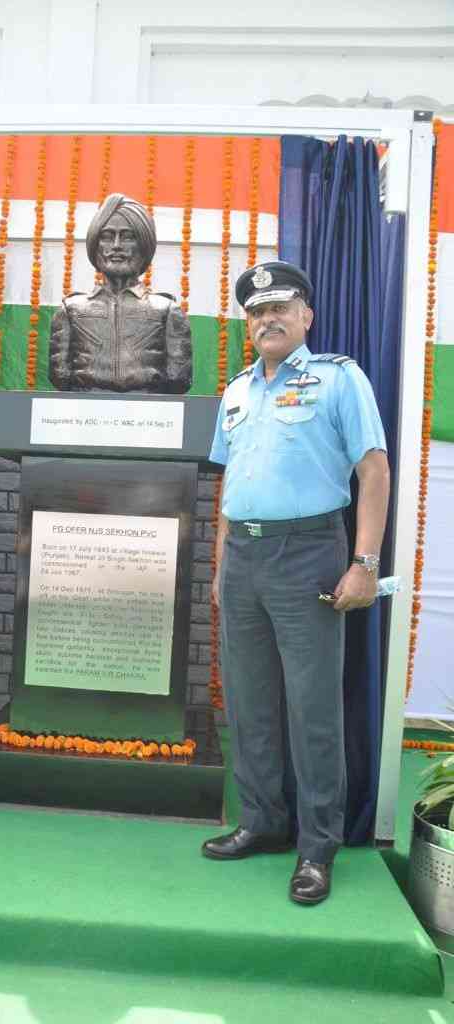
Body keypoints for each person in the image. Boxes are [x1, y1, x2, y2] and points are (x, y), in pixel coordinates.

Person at [202, 261, 390, 905]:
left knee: (312, 710)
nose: (266, 319)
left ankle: (317, 847)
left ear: (306, 315)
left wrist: (364, 563)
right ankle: (261, 821)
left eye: (280, 307)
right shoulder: (234, 393)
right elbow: (230, 486)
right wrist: (223, 566)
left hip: (309, 553)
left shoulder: (339, 378)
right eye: (255, 312)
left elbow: (372, 470)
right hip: (246, 559)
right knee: (251, 704)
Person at [49, 192, 192, 393]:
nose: (116, 246)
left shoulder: (167, 311)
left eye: (128, 237)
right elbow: (60, 377)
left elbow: (179, 379)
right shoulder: (71, 310)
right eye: (107, 237)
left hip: (150, 417)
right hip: (82, 416)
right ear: (95, 246)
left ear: (144, 246)